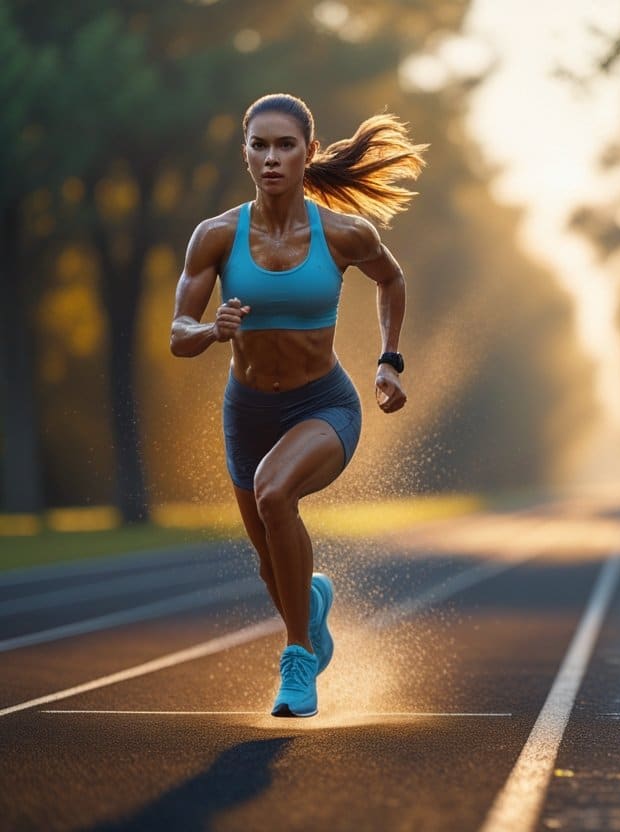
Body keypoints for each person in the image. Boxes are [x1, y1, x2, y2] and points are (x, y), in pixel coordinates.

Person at [170, 93, 425, 717]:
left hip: (323, 405)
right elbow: (178, 333)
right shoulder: (215, 236)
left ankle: (298, 659)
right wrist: (210, 331)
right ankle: (310, 604)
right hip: (247, 412)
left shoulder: (343, 233)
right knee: (270, 565)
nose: (271, 158)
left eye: (285, 145)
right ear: (245, 154)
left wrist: (388, 361)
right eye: (259, 145)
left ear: (308, 153)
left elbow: (391, 278)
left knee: (273, 490)